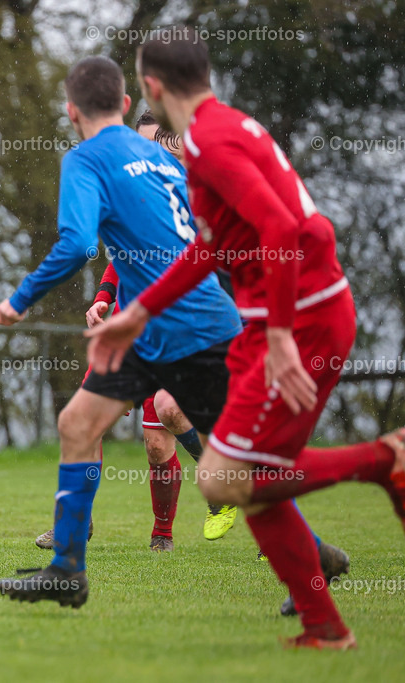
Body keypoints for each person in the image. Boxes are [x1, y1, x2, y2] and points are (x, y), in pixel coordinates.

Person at [86, 32, 405, 650]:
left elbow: (282, 227)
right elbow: (213, 245)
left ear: (151, 88)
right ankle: (324, 628)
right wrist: (140, 309)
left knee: (228, 478)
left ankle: (383, 459)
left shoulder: (210, 143)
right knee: (246, 480)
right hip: (286, 319)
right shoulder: (226, 127)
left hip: (303, 320)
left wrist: (283, 334)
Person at [0, 56, 243, 608]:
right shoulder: (158, 158)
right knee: (78, 422)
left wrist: (20, 298)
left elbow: (79, 245)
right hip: (157, 325)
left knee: (237, 465)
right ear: (126, 105)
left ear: (70, 109)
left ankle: (311, 552)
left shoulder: (86, 158)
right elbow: (202, 235)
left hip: (187, 327)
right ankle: (66, 568)